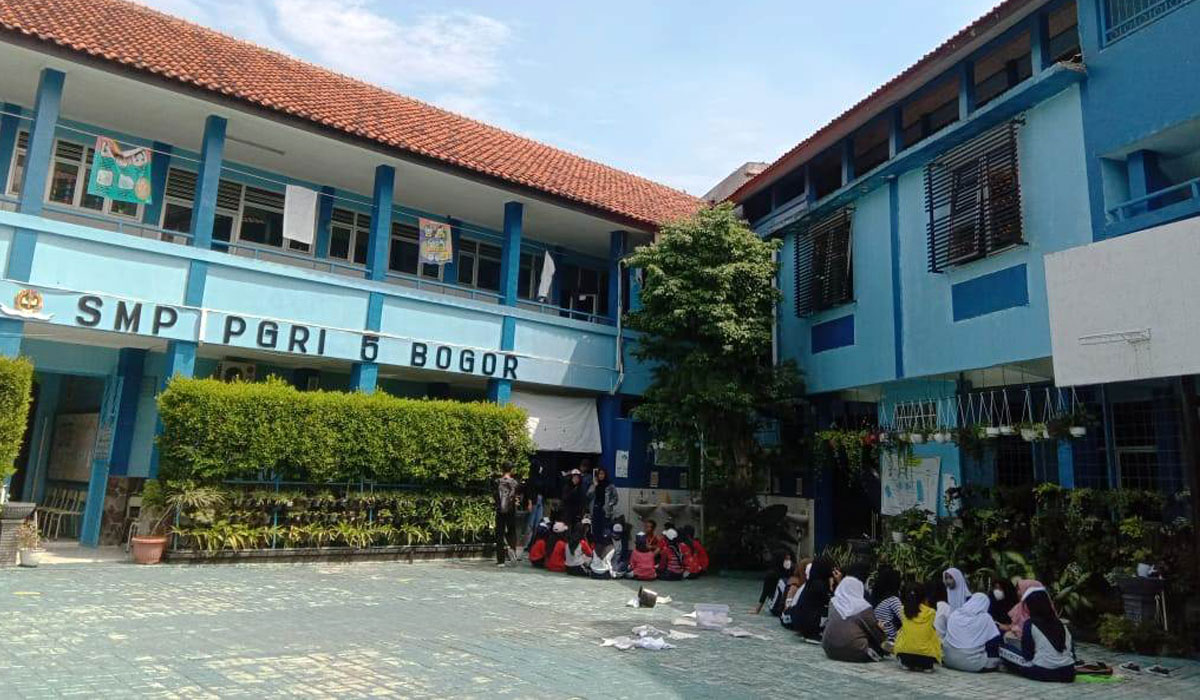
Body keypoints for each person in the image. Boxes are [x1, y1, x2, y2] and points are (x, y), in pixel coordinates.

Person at [999, 589, 1076, 683]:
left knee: (1004, 649)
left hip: (1043, 671)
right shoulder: (1062, 624)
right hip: (1068, 672)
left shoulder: (1030, 624)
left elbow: (1028, 655)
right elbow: (1072, 653)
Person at [821, 576, 887, 662]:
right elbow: (874, 632)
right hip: (854, 651)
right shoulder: (864, 607)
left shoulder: (833, 602)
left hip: (829, 649)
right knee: (877, 647)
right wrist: (882, 631)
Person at [943, 592, 1003, 672]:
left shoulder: (955, 614)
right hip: (973, 664)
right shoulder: (985, 618)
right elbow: (994, 640)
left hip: (948, 659)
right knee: (995, 658)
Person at [893, 581, 942, 671]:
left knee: (901, 631)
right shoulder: (931, 612)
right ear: (923, 596)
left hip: (905, 656)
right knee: (933, 633)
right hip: (926, 659)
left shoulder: (903, 610)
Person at [786, 557, 834, 641]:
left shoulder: (811, 582)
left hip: (799, 620)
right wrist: (833, 585)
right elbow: (830, 601)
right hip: (809, 624)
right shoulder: (819, 585)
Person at [494, 463, 520, 566]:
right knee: (512, 532)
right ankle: (512, 554)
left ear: (502, 469)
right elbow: (516, 496)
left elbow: (495, 496)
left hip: (500, 510)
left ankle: (500, 560)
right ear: (511, 470)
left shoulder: (497, 482)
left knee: (499, 534)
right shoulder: (515, 483)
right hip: (511, 510)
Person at [754, 551, 794, 616]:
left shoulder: (791, 571)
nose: (788, 562)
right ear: (781, 560)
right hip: (774, 603)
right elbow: (764, 593)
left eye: (789, 559)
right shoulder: (771, 574)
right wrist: (757, 610)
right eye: (786, 559)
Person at [872, 567, 904, 642]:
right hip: (891, 641)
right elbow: (906, 620)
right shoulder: (893, 600)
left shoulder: (878, 599)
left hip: (881, 639)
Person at [587, 467, 618, 541]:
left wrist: (609, 504)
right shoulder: (594, 484)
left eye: (602, 474)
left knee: (604, 529)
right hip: (595, 509)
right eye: (599, 474)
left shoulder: (610, 485)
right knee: (595, 529)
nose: (601, 476)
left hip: (605, 510)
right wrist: (594, 486)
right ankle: (596, 543)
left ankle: (604, 544)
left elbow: (615, 498)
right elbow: (588, 495)